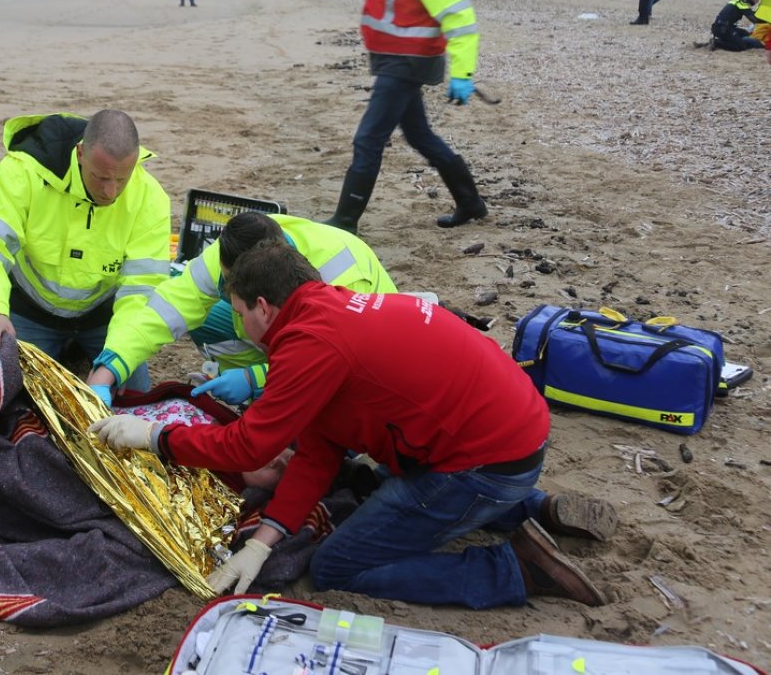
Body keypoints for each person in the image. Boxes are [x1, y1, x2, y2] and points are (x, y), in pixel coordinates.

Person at [90, 240, 619, 608]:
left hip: (486, 462)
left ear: (263, 307)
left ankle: (516, 572)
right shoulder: (329, 311)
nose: (238, 325)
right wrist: (264, 541)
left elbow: (250, 446)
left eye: (238, 313)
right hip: (511, 432)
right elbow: (319, 451)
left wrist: (157, 437)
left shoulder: (309, 344)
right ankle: (534, 507)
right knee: (386, 488)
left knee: (339, 567)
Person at [85, 212, 397, 406]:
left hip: (359, 365)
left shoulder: (343, 278)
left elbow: (328, 363)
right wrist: (109, 367)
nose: (228, 294)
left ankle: (269, 392)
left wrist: (255, 379)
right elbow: (162, 312)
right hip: (294, 337)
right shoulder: (228, 252)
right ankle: (261, 394)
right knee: (207, 320)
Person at [0, 110, 170, 394]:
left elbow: (142, 289)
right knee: (5, 398)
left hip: (103, 317)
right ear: (81, 153)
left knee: (135, 396)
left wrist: (118, 357)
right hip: (31, 310)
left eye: (122, 179)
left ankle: (82, 352)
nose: (111, 191)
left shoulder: (150, 197)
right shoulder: (22, 171)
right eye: (101, 177)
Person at [323, 0, 485, 235]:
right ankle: (470, 202)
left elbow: (460, 19)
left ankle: (345, 222)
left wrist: (463, 73)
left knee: (368, 138)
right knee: (419, 135)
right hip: (393, 61)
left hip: (407, 64)